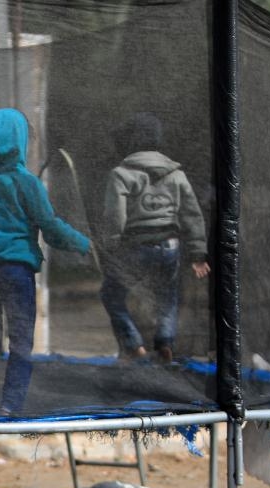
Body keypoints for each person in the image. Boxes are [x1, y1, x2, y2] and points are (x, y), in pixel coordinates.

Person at [0, 108, 90, 414]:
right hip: (17, 271)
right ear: (20, 142)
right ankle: (10, 404)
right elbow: (51, 227)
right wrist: (82, 243)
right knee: (20, 338)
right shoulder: (28, 183)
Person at [99, 111, 209, 364]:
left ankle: (134, 347)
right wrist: (198, 254)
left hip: (135, 247)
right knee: (167, 298)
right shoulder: (176, 175)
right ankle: (164, 347)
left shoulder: (121, 174)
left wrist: (112, 246)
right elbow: (192, 216)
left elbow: (115, 215)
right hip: (170, 246)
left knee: (111, 295)